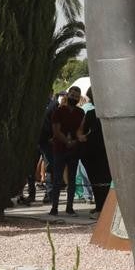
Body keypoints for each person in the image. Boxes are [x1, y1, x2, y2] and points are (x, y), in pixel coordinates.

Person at [48, 87, 85, 216]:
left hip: (74, 149)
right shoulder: (58, 111)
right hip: (59, 148)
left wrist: (77, 140)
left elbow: (81, 129)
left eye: (76, 96)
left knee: (72, 179)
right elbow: (56, 130)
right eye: (72, 95)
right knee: (57, 179)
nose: (74, 98)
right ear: (68, 95)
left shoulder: (80, 112)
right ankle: (54, 207)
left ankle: (70, 207)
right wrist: (67, 141)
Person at [79, 88, 112, 217]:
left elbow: (80, 131)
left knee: (100, 181)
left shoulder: (93, 113)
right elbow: (80, 131)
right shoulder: (94, 114)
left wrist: (81, 137)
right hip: (97, 152)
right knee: (100, 181)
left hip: (98, 152)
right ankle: (100, 207)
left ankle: (101, 207)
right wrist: (81, 137)